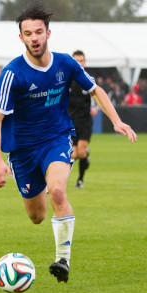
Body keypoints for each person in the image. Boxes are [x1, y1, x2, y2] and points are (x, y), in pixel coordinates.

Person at [0, 4, 137, 283]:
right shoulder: (12, 74)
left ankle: (62, 261)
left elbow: (96, 90)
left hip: (57, 138)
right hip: (22, 151)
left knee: (58, 191)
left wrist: (116, 120)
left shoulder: (66, 63)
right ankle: (40, 185)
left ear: (48, 33)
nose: (34, 37)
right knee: (37, 217)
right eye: (28, 33)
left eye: (39, 32)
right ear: (21, 38)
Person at [68, 50, 98, 189]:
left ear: (85, 62)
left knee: (80, 151)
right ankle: (86, 156)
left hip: (85, 120)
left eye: (82, 61)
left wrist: (95, 107)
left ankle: (80, 180)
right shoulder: (67, 80)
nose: (79, 63)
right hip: (71, 121)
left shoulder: (88, 79)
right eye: (77, 61)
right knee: (73, 154)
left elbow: (96, 95)